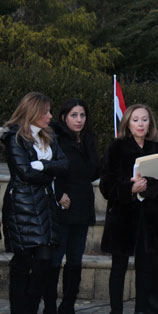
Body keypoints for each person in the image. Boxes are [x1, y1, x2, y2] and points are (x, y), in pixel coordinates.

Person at [99, 104, 158, 314]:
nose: (140, 124)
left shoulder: (157, 150)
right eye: (136, 120)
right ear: (127, 123)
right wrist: (130, 188)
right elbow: (106, 186)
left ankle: (142, 309)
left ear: (150, 123)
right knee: (118, 268)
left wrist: (148, 186)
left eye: (144, 119)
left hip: (149, 219)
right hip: (122, 218)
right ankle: (116, 311)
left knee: (146, 269)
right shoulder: (116, 148)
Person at [1, 92, 68, 314]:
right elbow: (25, 173)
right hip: (23, 206)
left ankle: (28, 306)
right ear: (33, 112)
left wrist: (42, 165)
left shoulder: (49, 136)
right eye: (46, 112)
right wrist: (49, 170)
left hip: (45, 205)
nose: (50, 116)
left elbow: (63, 164)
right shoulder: (14, 137)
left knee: (44, 260)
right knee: (23, 261)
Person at [42, 99, 100, 314]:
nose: (79, 120)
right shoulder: (54, 138)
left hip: (82, 205)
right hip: (62, 206)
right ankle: (49, 305)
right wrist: (59, 193)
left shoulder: (87, 140)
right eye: (74, 115)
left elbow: (92, 173)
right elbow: (48, 168)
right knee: (55, 259)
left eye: (82, 115)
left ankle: (68, 305)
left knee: (75, 259)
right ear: (64, 117)